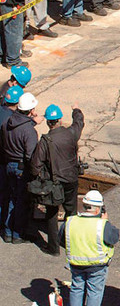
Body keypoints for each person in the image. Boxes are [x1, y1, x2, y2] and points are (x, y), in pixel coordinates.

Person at [31, 103, 85, 255]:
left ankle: (53, 248)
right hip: (72, 180)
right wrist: (76, 109)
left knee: (52, 213)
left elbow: (36, 165)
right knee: (71, 212)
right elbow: (79, 121)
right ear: (60, 120)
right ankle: (71, 244)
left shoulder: (45, 141)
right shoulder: (72, 133)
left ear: (48, 122)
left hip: (55, 183)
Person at [61, 190, 119, 306]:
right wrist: (106, 221)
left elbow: (61, 239)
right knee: (94, 292)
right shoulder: (102, 225)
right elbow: (113, 238)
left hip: (76, 263)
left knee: (76, 288)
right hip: (97, 265)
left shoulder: (71, 221)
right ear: (98, 208)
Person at [1, 91, 39, 244]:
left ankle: (8, 231)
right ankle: (18, 234)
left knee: (11, 199)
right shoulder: (28, 130)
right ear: (30, 111)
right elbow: (31, 155)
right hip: (21, 169)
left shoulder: (8, 122)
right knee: (22, 201)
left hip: (8, 165)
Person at [0, 85, 23, 243]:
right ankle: (8, 229)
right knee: (8, 196)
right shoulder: (9, 120)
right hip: (5, 161)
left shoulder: (2, 110)